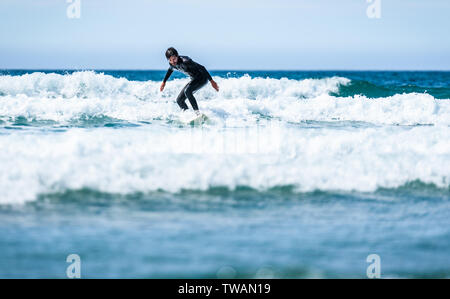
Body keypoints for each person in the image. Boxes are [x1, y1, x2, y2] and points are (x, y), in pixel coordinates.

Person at [160, 47, 219, 114]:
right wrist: (164, 82)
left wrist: (212, 81)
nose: (173, 62)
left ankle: (197, 113)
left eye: (174, 59)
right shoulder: (172, 64)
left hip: (202, 78)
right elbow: (170, 69)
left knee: (187, 91)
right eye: (170, 60)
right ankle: (188, 114)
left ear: (177, 56)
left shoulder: (186, 61)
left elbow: (202, 67)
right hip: (194, 79)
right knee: (179, 100)